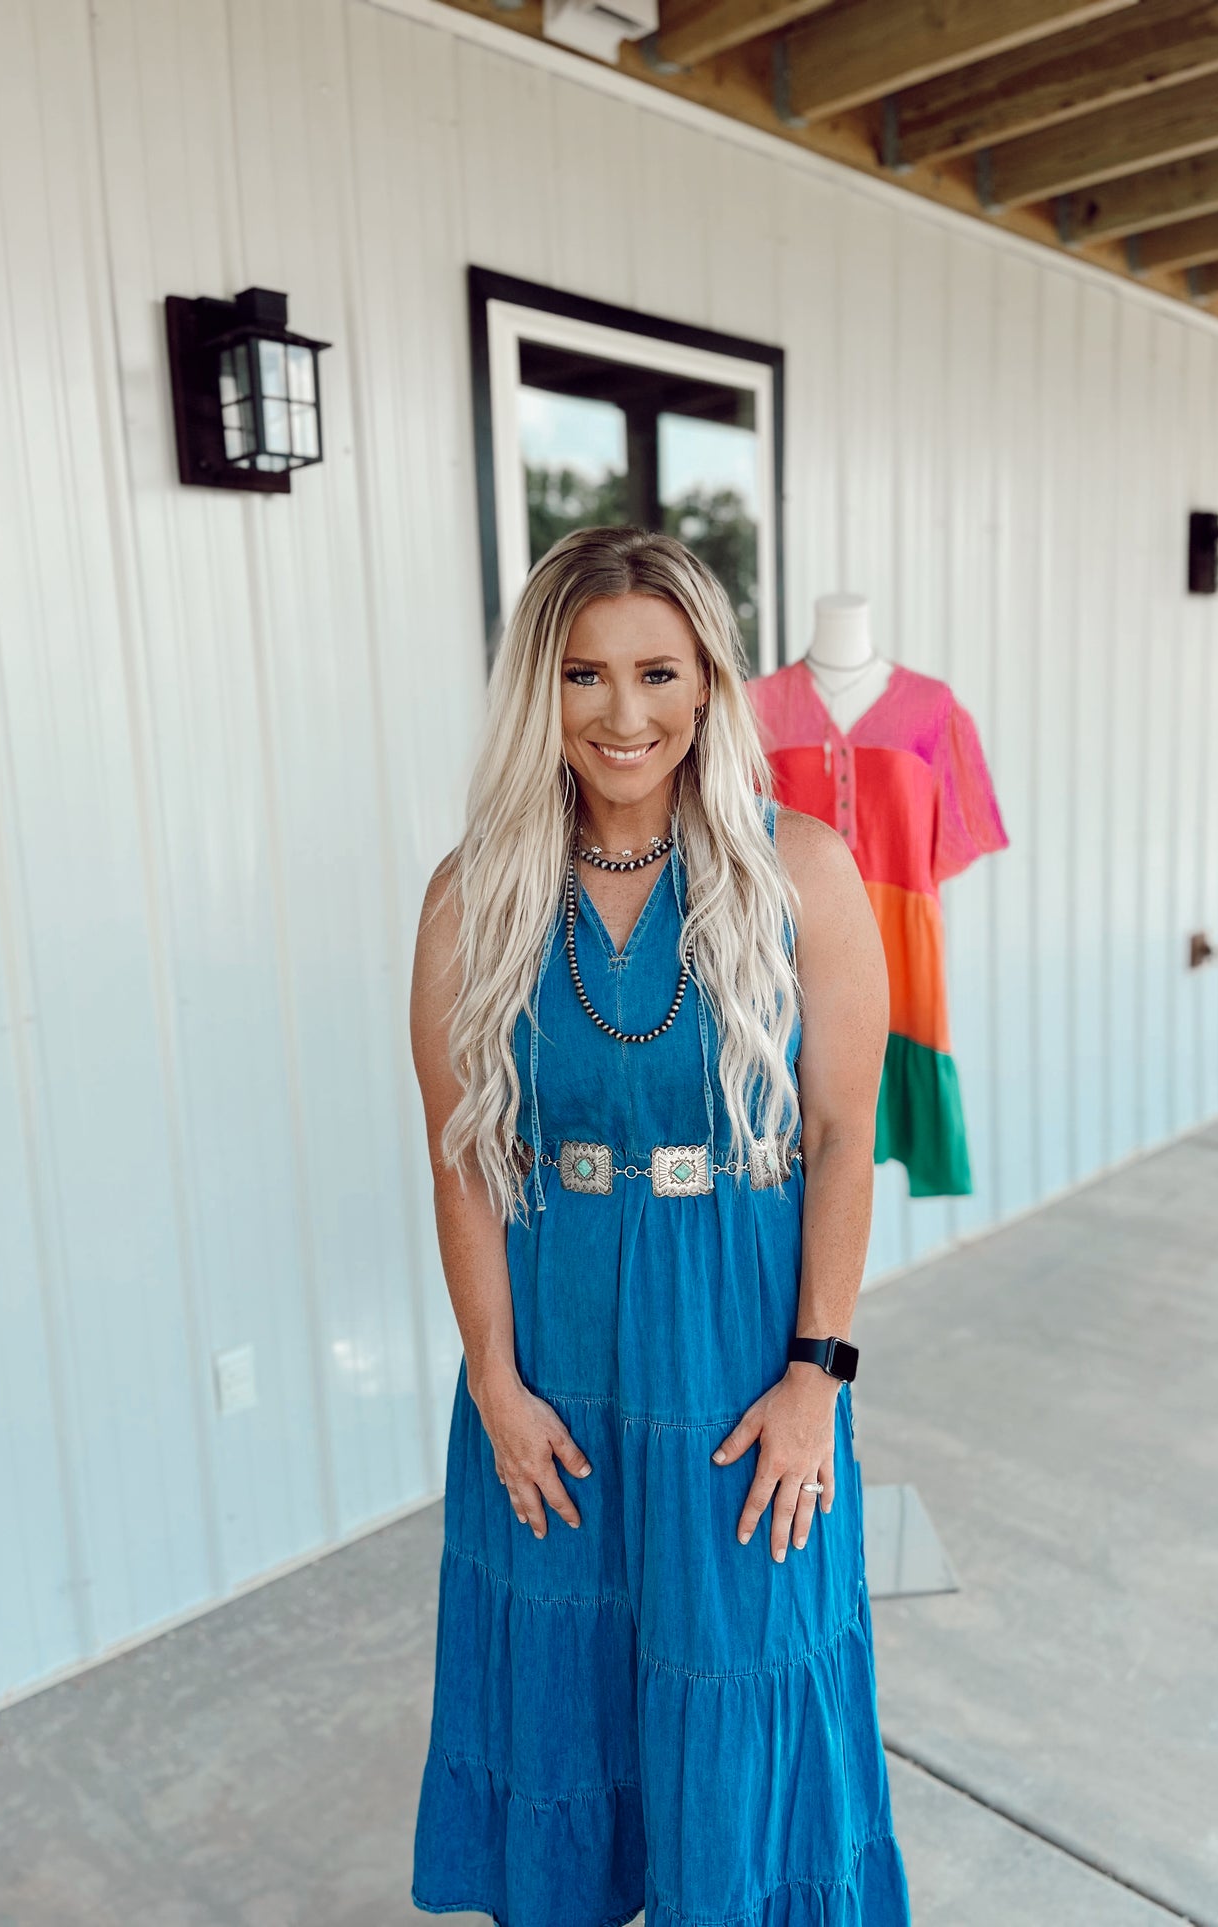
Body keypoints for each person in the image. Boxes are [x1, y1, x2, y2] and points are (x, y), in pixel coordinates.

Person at [408, 525, 913, 1927]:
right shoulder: (474, 893)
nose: (621, 714)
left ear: (708, 686)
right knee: (564, 1682)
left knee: (745, 1663)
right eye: (581, 675)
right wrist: (496, 1388)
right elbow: (462, 1163)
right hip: (553, 1347)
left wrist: (817, 1375)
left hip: (738, 1351)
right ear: (538, 693)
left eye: (655, 672)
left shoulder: (797, 870)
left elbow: (835, 1143)